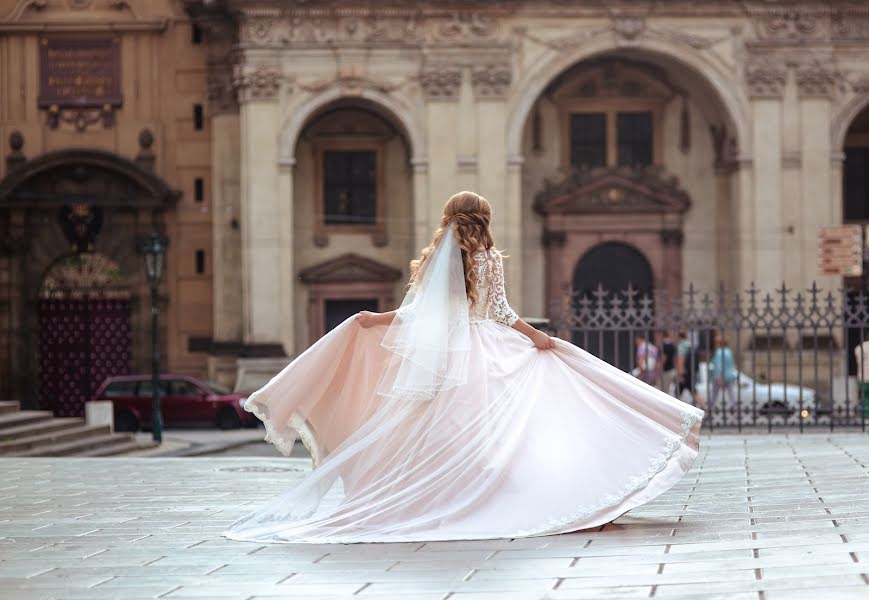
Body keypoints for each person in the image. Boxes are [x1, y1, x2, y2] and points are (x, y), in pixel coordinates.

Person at [224, 191, 704, 544]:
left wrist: (373, 320)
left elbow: (418, 315)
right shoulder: (488, 257)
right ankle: (546, 495)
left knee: (441, 434)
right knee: (524, 426)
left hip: (446, 357)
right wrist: (539, 338)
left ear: (449, 219)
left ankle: (444, 497)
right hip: (490, 349)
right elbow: (499, 313)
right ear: (485, 219)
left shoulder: (439, 256)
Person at [677, 330, 706, 409]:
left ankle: (703, 405)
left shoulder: (681, 346)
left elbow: (681, 359)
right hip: (691, 372)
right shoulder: (689, 344)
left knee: (679, 392)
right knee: (691, 391)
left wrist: (680, 374)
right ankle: (703, 405)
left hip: (685, 373)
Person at [708, 334, 737, 413]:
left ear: (718, 343)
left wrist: (719, 376)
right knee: (731, 393)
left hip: (720, 376)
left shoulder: (719, 352)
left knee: (714, 394)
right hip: (730, 375)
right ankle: (734, 407)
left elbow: (719, 365)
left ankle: (711, 408)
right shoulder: (729, 351)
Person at [658, 330, 678, 396]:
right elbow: (675, 358)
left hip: (665, 370)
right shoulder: (673, 345)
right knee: (668, 389)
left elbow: (663, 358)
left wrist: (659, 369)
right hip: (672, 369)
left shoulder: (663, 346)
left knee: (664, 391)